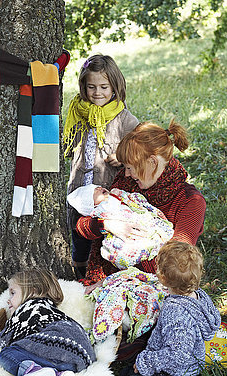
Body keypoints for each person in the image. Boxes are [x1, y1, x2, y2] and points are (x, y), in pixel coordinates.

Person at [75, 119, 206, 292]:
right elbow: (82, 226)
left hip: (154, 287)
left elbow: (176, 263)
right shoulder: (126, 182)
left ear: (152, 161)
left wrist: (120, 278)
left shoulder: (189, 202)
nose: (126, 174)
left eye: (130, 168)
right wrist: (105, 225)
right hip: (107, 278)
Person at [116, 240, 221, 376]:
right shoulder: (198, 297)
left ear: (163, 276)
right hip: (191, 366)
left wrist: (146, 361)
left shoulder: (176, 312)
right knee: (127, 371)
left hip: (174, 372)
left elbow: (177, 354)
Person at [63, 54, 139, 279]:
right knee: (80, 237)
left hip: (108, 196)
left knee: (104, 239)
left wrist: (124, 157)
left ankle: (106, 278)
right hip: (80, 193)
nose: (97, 93)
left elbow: (141, 151)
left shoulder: (126, 120)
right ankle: (81, 275)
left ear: (115, 86)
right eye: (91, 87)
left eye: (104, 86)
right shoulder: (79, 114)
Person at [0, 269, 96, 376]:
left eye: (13, 293)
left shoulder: (30, 307)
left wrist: (2, 340)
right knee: (39, 358)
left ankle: (35, 372)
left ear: (33, 291)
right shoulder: (53, 310)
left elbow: (11, 337)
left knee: (7, 354)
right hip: (80, 357)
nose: (8, 300)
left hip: (58, 344)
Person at [67, 184, 173, 270]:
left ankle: (156, 242)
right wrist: (107, 224)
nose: (99, 188)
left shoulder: (117, 195)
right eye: (93, 191)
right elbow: (83, 226)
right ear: (91, 204)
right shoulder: (100, 209)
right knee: (125, 248)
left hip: (140, 222)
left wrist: (125, 197)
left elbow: (136, 202)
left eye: (97, 186)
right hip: (124, 233)